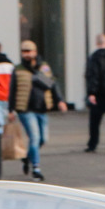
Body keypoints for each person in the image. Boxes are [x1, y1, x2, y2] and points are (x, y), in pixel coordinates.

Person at [8, 39, 68, 182]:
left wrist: (60, 100)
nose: (26, 54)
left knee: (43, 139)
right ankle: (36, 168)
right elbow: (12, 90)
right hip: (25, 109)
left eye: (29, 51)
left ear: (35, 52)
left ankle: (28, 157)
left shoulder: (44, 67)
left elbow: (53, 85)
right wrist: (11, 110)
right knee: (34, 137)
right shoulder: (18, 69)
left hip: (42, 108)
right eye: (24, 52)